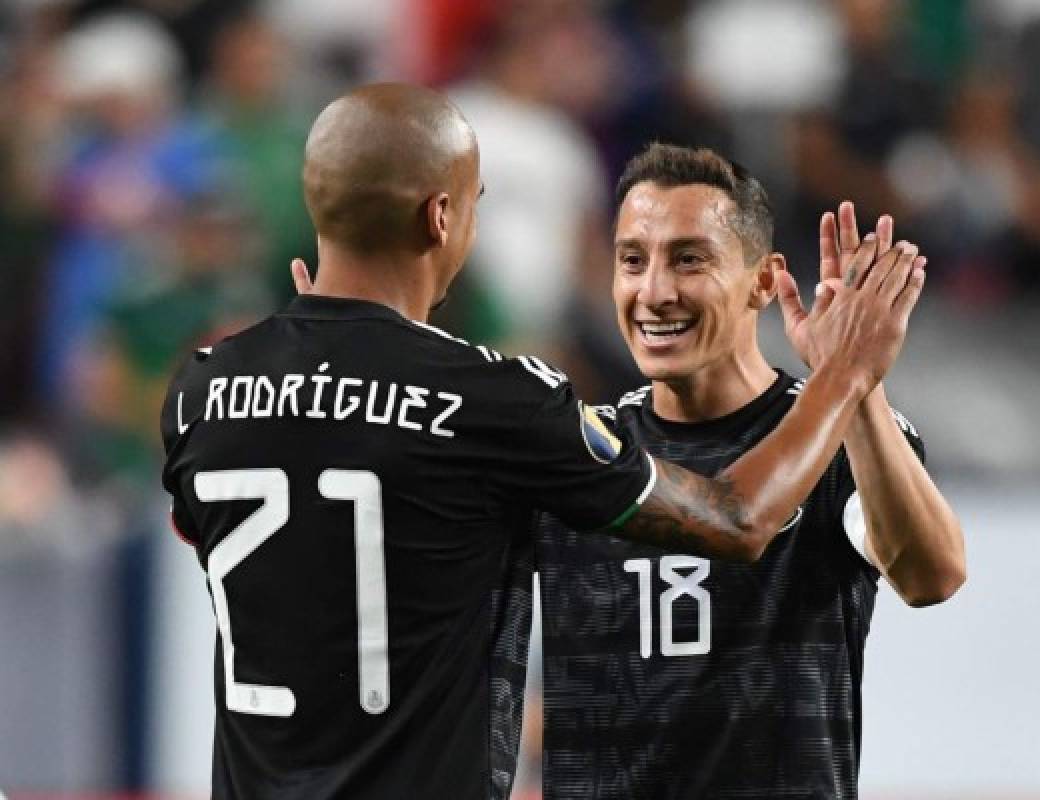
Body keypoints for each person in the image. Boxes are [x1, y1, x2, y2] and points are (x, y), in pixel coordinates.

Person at [162, 84, 926, 798]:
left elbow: (250, 529)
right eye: (473, 205)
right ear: (440, 217)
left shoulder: (202, 389)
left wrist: (331, 360)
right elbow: (737, 516)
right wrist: (848, 370)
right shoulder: (492, 401)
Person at [534, 143, 965, 798]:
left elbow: (931, 575)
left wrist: (854, 387)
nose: (654, 292)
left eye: (689, 260)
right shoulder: (581, 449)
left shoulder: (840, 434)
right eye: (632, 261)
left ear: (763, 281)